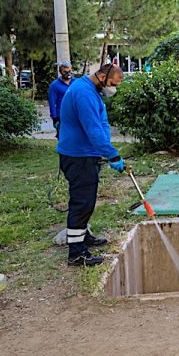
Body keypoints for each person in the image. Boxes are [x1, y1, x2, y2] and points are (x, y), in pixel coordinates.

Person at [57, 63, 125, 266]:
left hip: (87, 154)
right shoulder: (83, 94)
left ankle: (83, 236)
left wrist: (105, 149)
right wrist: (112, 155)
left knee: (86, 201)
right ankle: (76, 253)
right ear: (102, 76)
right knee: (81, 203)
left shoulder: (92, 91)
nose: (113, 89)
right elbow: (93, 129)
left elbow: (102, 123)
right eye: (112, 83)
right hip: (78, 157)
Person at [47, 61, 72, 138]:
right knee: (63, 138)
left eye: (69, 71)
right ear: (60, 71)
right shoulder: (54, 85)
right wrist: (54, 117)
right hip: (61, 116)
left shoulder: (76, 82)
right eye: (65, 72)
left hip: (75, 114)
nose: (68, 73)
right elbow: (52, 102)